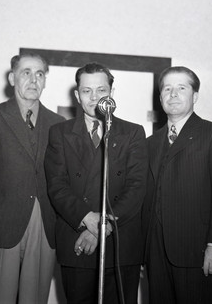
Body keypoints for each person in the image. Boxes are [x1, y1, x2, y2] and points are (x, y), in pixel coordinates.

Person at [44, 62, 148, 304]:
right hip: (77, 242)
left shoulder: (133, 133)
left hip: (120, 247)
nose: (94, 97)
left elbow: (136, 187)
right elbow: (57, 186)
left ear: (112, 92)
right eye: (86, 91)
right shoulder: (59, 133)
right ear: (77, 95)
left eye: (101, 90)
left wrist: (102, 226)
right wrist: (87, 219)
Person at [141, 66, 212, 303]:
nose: (173, 94)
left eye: (181, 88)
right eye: (167, 88)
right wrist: (143, 253)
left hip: (199, 256)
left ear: (195, 96)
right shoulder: (149, 143)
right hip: (156, 256)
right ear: (160, 97)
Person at [0, 53, 64, 303]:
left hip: (44, 224)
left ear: (45, 81)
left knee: (34, 297)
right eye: (26, 72)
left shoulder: (58, 124)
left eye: (39, 74)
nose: (33, 79)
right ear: (12, 78)